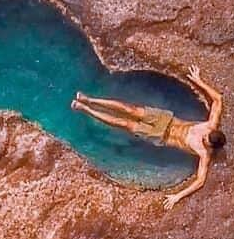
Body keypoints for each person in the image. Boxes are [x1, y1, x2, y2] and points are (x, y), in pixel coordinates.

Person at [72, 64, 224, 209]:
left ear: (211, 146)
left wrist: (178, 196)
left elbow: (200, 181)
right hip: (166, 119)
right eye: (206, 136)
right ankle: (89, 100)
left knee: (125, 124)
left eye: (205, 141)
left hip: (161, 136)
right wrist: (199, 80)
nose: (203, 137)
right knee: (130, 110)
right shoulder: (209, 126)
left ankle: (85, 109)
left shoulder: (204, 153)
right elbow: (218, 99)